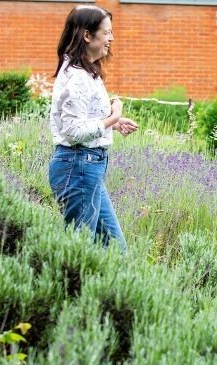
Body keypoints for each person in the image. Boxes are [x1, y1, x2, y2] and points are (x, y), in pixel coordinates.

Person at [48, 5, 138, 252]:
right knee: (79, 251)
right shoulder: (77, 76)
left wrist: (115, 123)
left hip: (87, 168)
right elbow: (73, 131)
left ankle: (110, 291)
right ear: (87, 35)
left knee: (115, 249)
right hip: (78, 167)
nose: (112, 38)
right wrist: (112, 117)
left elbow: (83, 119)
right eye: (107, 32)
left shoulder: (87, 73)